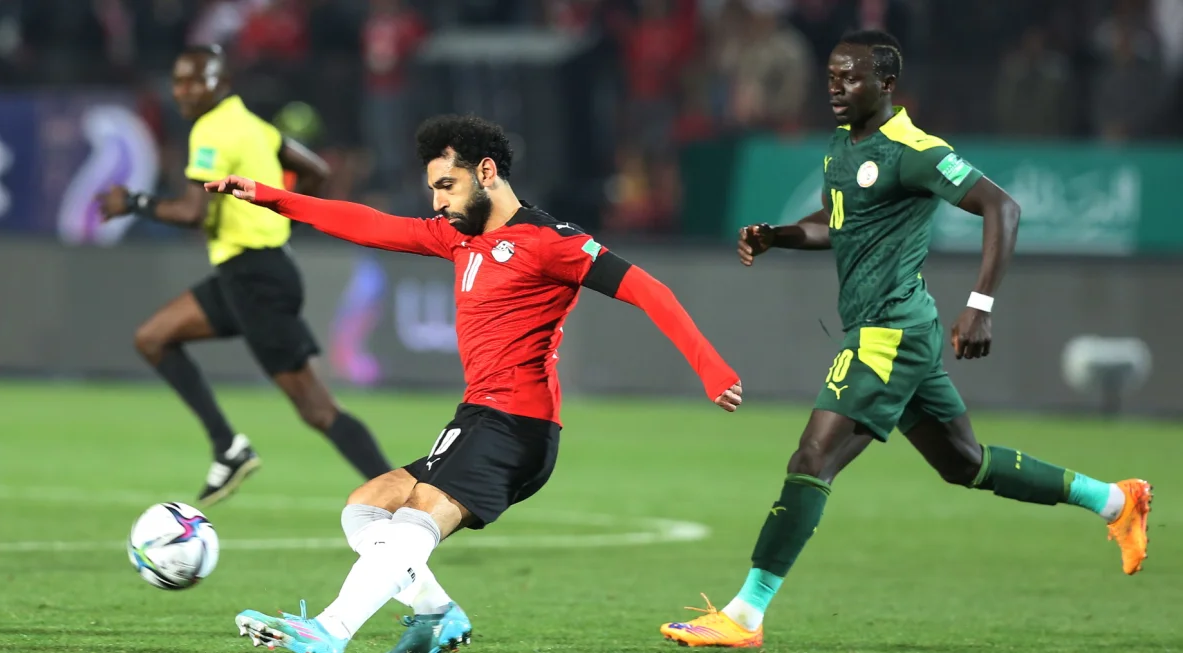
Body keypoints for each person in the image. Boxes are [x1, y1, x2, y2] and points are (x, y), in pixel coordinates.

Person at [659, 30, 1153, 648]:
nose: (836, 88)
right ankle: (1115, 500)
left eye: (852, 78)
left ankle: (744, 614)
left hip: (888, 334)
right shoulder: (844, 146)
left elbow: (1003, 208)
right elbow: (839, 224)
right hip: (898, 331)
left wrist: (979, 306)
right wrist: (779, 235)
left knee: (812, 460)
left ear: (886, 84)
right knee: (964, 464)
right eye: (833, 76)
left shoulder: (913, 149)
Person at [210, 114, 744, 653]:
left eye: (448, 185)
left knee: (417, 517)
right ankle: (436, 614)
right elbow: (368, 223)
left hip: (516, 424)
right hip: (479, 419)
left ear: (486, 172)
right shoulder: (456, 238)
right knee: (368, 504)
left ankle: (329, 631)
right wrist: (269, 195)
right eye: (434, 190)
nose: (439, 202)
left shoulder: (549, 241)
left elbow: (649, 290)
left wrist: (711, 369)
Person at [97, 45, 392, 507]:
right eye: (179, 81)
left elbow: (193, 212)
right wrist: (282, 219)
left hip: (255, 278)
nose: (185, 90)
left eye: (197, 80)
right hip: (248, 271)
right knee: (153, 338)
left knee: (317, 409)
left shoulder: (212, 130)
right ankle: (228, 448)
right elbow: (315, 171)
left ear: (222, 83)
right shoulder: (256, 127)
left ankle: (406, 497)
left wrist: (134, 203)